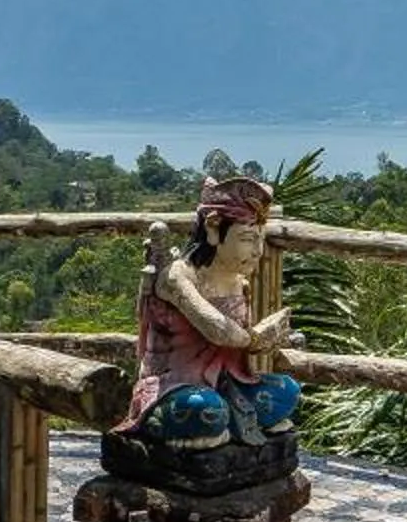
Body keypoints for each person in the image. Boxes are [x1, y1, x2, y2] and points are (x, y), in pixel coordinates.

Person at [125, 174, 302, 450]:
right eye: (246, 239)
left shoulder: (238, 283)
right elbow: (217, 330)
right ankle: (161, 420)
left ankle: (227, 421)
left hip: (227, 385)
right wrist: (255, 338)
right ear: (213, 230)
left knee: (288, 390)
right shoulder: (178, 277)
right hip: (175, 385)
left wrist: (271, 339)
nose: (257, 251)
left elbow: (241, 345)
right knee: (205, 409)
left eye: (260, 240)